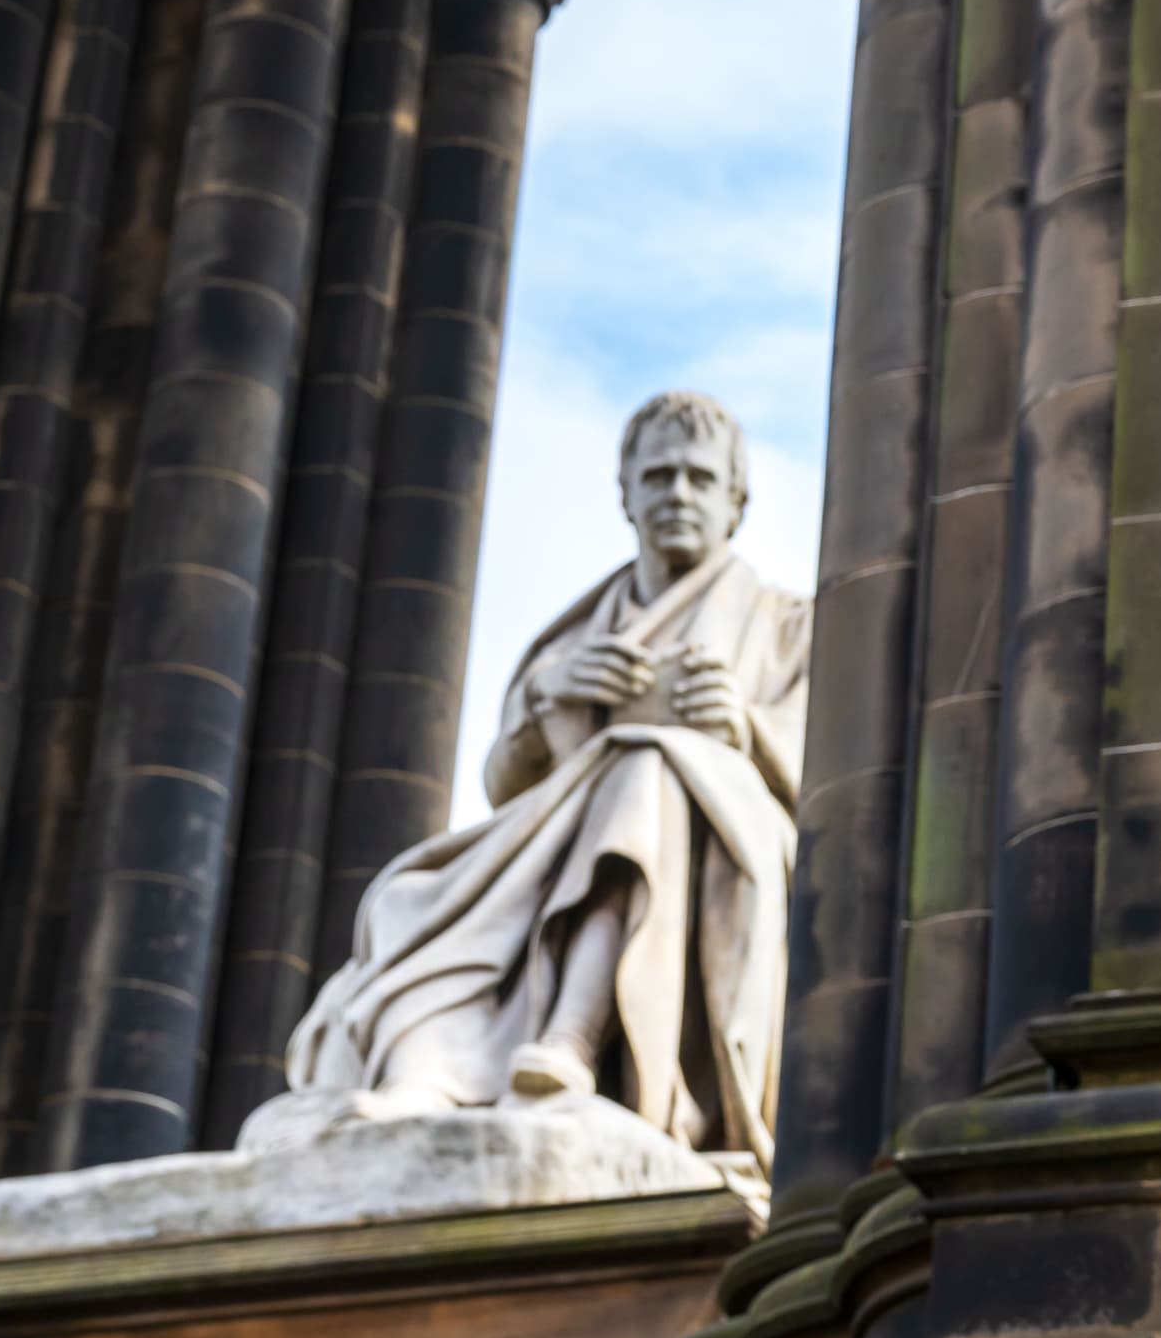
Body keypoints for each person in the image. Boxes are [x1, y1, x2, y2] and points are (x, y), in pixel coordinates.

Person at [255, 391, 809, 1162]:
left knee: (648, 765)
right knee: (410, 898)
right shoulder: (577, 635)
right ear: (627, 494)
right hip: (559, 843)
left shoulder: (787, 627)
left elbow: (838, 797)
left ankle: (572, 1038)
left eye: (698, 479)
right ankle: (436, 1068)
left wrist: (744, 728)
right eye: (657, 477)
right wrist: (552, 700)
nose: (677, 495)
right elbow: (507, 787)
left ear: (736, 501)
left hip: (716, 854)